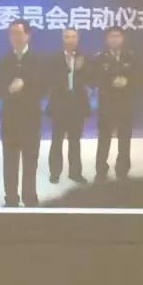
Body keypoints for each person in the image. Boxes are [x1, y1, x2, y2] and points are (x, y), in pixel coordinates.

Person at [0, 20, 44, 208]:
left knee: (30, 160)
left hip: (30, 118)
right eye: (12, 33)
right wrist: (8, 89)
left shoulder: (38, 60)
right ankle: (11, 198)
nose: (15, 37)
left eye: (19, 33)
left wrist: (25, 86)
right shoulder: (4, 60)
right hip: (10, 119)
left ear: (28, 36)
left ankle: (30, 197)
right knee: (10, 161)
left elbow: (44, 87)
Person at [45, 28, 91, 185]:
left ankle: (75, 173)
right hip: (59, 104)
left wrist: (81, 70)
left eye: (73, 36)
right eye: (67, 36)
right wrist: (68, 71)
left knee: (75, 141)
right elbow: (49, 80)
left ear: (78, 39)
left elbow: (90, 79)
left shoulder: (85, 58)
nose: (70, 39)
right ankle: (55, 172)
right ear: (62, 39)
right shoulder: (53, 58)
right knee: (56, 141)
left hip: (77, 105)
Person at [92, 27, 137, 182]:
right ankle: (101, 170)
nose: (115, 39)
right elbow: (94, 79)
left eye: (118, 36)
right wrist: (111, 82)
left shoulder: (131, 57)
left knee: (125, 139)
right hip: (107, 104)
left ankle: (122, 169)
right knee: (104, 139)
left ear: (123, 38)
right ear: (106, 39)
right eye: (111, 36)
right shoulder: (99, 58)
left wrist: (127, 82)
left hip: (126, 104)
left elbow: (139, 77)